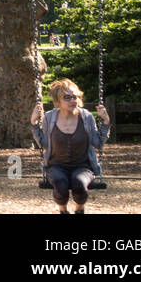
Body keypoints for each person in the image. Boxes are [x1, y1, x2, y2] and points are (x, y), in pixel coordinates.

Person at [31, 79, 111, 214]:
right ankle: (63, 210)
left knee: (79, 184)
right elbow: (44, 144)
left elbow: (98, 143)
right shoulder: (50, 118)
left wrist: (106, 121)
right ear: (58, 101)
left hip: (83, 166)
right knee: (60, 184)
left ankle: (79, 209)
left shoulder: (86, 117)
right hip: (56, 165)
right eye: (67, 98)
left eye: (75, 97)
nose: (72, 100)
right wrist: (34, 122)